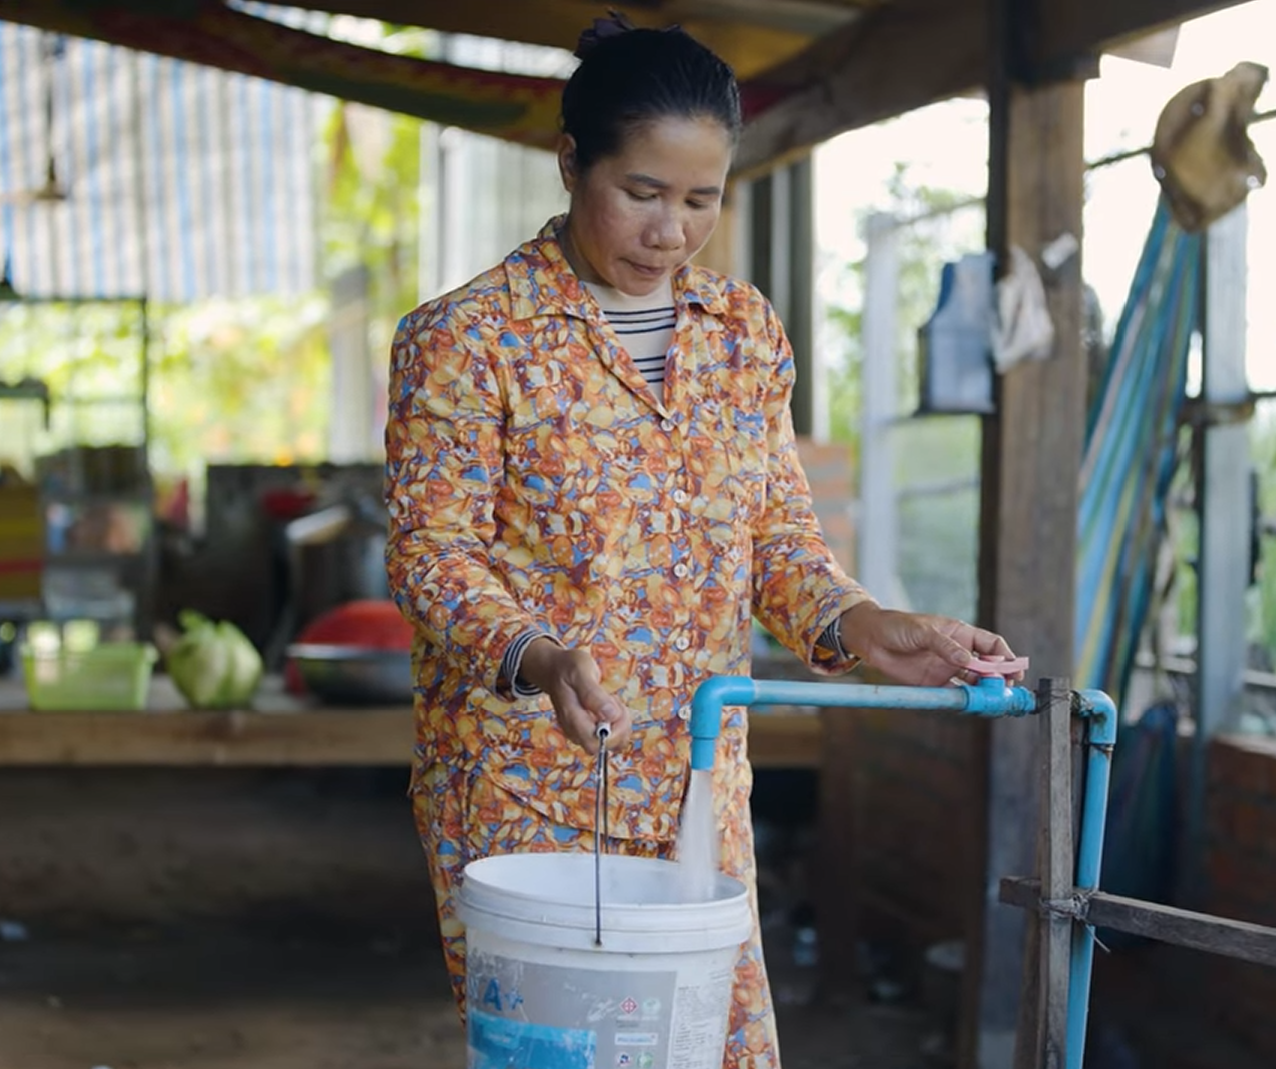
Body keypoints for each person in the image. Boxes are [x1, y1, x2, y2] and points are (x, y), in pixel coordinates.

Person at [383, 15, 1024, 1066]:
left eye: (699, 200)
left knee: (714, 1051)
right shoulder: (466, 338)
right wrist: (537, 655)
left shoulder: (741, 333)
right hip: (526, 788)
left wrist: (865, 625)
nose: (670, 230)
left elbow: (775, 538)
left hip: (693, 785)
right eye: (640, 192)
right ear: (569, 163)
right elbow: (432, 552)